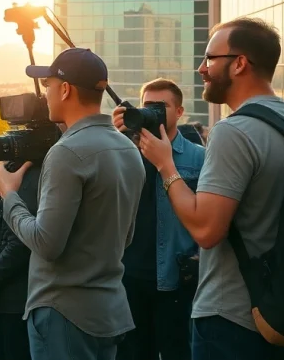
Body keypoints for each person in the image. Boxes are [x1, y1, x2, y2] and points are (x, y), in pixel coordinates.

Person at [136, 18, 284, 360]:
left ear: (239, 63)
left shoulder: (233, 132)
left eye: (209, 58)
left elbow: (206, 229)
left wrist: (166, 165)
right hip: (277, 310)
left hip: (232, 317)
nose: (201, 68)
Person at [0, 48, 144, 360]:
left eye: (49, 86)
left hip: (64, 312)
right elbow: (126, 236)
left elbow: (46, 243)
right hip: (108, 310)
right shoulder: (128, 149)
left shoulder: (67, 152)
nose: (46, 94)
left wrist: (9, 196)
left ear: (65, 89)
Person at [112, 78, 204, 360]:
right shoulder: (123, 151)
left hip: (177, 278)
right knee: (134, 353)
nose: (153, 112)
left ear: (179, 112)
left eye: (161, 107)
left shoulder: (199, 157)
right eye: (147, 106)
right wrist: (115, 135)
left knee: (178, 351)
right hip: (130, 276)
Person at [0, 160, 40, 360]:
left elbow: (19, 244)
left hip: (15, 298)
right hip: (7, 297)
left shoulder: (29, 181)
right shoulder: (15, 180)